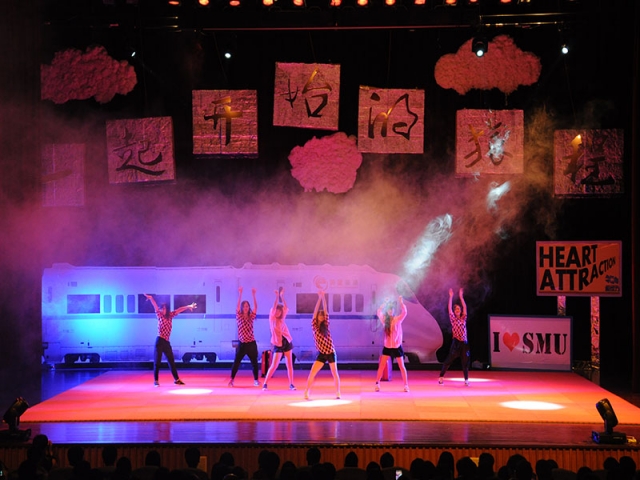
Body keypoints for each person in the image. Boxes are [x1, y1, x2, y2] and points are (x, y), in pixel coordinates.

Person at [144, 293, 196, 387]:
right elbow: (155, 306)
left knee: (171, 361)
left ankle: (176, 380)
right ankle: (156, 381)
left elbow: (179, 309)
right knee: (157, 362)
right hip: (159, 341)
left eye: (164, 308)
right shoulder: (159, 315)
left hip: (166, 342)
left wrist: (188, 306)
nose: (162, 310)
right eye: (161, 308)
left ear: (167, 309)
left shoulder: (170, 315)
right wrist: (151, 298)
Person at [304, 290, 341, 400]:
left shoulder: (326, 324)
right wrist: (319, 298)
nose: (321, 316)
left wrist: (324, 297)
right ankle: (306, 391)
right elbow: (315, 311)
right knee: (312, 372)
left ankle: (338, 392)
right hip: (321, 353)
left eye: (322, 315)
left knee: (334, 372)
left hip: (330, 352)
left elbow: (325, 309)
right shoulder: (314, 325)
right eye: (319, 315)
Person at [262, 288, 295, 391]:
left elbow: (286, 307)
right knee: (274, 365)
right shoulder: (272, 318)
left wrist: (282, 297)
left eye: (279, 311)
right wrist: (277, 297)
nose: (277, 312)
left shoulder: (282, 318)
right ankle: (265, 383)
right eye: (276, 310)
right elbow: (274, 306)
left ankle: (291, 384)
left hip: (286, 341)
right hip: (277, 343)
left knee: (289, 364)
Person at [374, 296, 409, 392]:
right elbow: (378, 312)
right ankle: (377, 383)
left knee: (402, 366)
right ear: (387, 310)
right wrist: (384, 303)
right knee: (382, 366)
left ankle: (406, 385)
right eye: (389, 309)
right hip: (387, 347)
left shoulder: (397, 319)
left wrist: (401, 303)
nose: (390, 311)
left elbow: (405, 312)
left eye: (392, 309)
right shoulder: (384, 319)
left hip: (397, 346)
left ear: (394, 310)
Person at [229, 286, 260, 387]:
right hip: (242, 344)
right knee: (236, 362)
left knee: (254, 362)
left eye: (247, 306)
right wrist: (240, 294)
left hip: (251, 343)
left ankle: (256, 380)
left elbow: (256, 307)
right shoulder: (239, 316)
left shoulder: (251, 317)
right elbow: (237, 306)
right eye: (244, 306)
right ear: (242, 308)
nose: (246, 308)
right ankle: (232, 380)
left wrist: (254, 295)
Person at [438, 288, 470, 386]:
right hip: (456, 343)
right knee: (448, 360)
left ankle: (466, 380)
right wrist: (451, 297)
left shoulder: (463, 318)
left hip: (464, 343)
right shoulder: (453, 319)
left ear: (460, 311)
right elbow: (449, 309)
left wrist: (461, 297)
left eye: (458, 309)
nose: (457, 310)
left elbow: (465, 307)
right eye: (456, 309)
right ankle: (441, 377)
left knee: (465, 362)